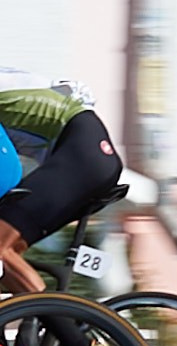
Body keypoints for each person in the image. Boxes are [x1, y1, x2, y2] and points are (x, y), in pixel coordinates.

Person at [0, 71, 125, 302]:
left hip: (83, 155)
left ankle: (73, 337)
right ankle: (34, 331)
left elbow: (7, 170)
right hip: (86, 153)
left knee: (0, 248)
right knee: (9, 256)